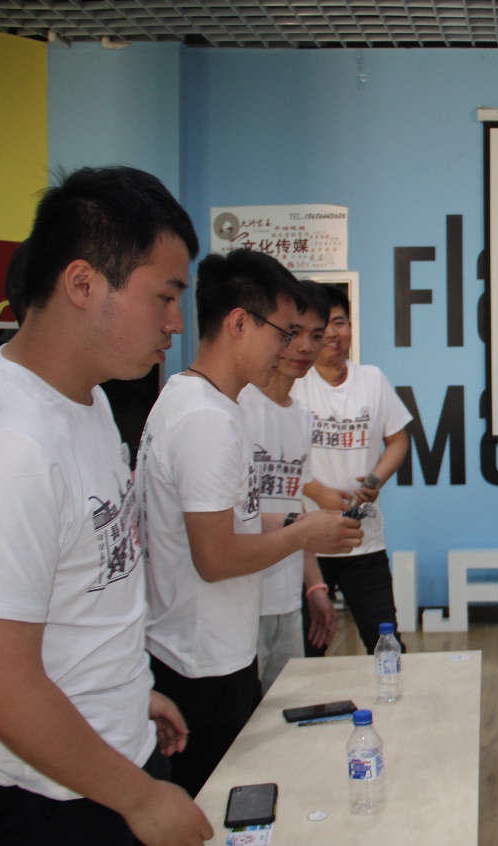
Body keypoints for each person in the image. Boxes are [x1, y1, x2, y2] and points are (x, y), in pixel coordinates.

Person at [0, 166, 213, 844]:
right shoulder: (9, 443)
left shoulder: (91, 402)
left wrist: (127, 698)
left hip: (104, 756)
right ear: (82, 284)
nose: (175, 323)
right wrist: (140, 799)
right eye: (164, 296)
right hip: (50, 798)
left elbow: (81, 593)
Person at [137, 249, 363, 796]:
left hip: (203, 651)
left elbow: (228, 524)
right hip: (202, 663)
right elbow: (215, 558)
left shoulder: (195, 401)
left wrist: (300, 527)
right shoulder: (207, 419)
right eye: (283, 333)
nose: (288, 349)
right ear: (239, 323)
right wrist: (304, 532)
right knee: (221, 806)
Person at [292, 284, 412, 655]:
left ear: (351, 327)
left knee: (385, 644)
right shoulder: (295, 384)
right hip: (307, 544)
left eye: (340, 322)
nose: (332, 333)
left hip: (364, 540)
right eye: (323, 326)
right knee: (306, 650)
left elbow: (398, 440)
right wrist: (318, 493)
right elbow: (280, 458)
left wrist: (375, 481)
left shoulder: (371, 379)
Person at [240, 280, 338, 692]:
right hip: (241, 600)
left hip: (286, 597)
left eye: (316, 335)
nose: (305, 347)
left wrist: (314, 585)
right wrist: (301, 527)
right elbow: (226, 520)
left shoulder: (301, 416)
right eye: (294, 332)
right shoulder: (239, 405)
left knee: (287, 709)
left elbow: (293, 504)